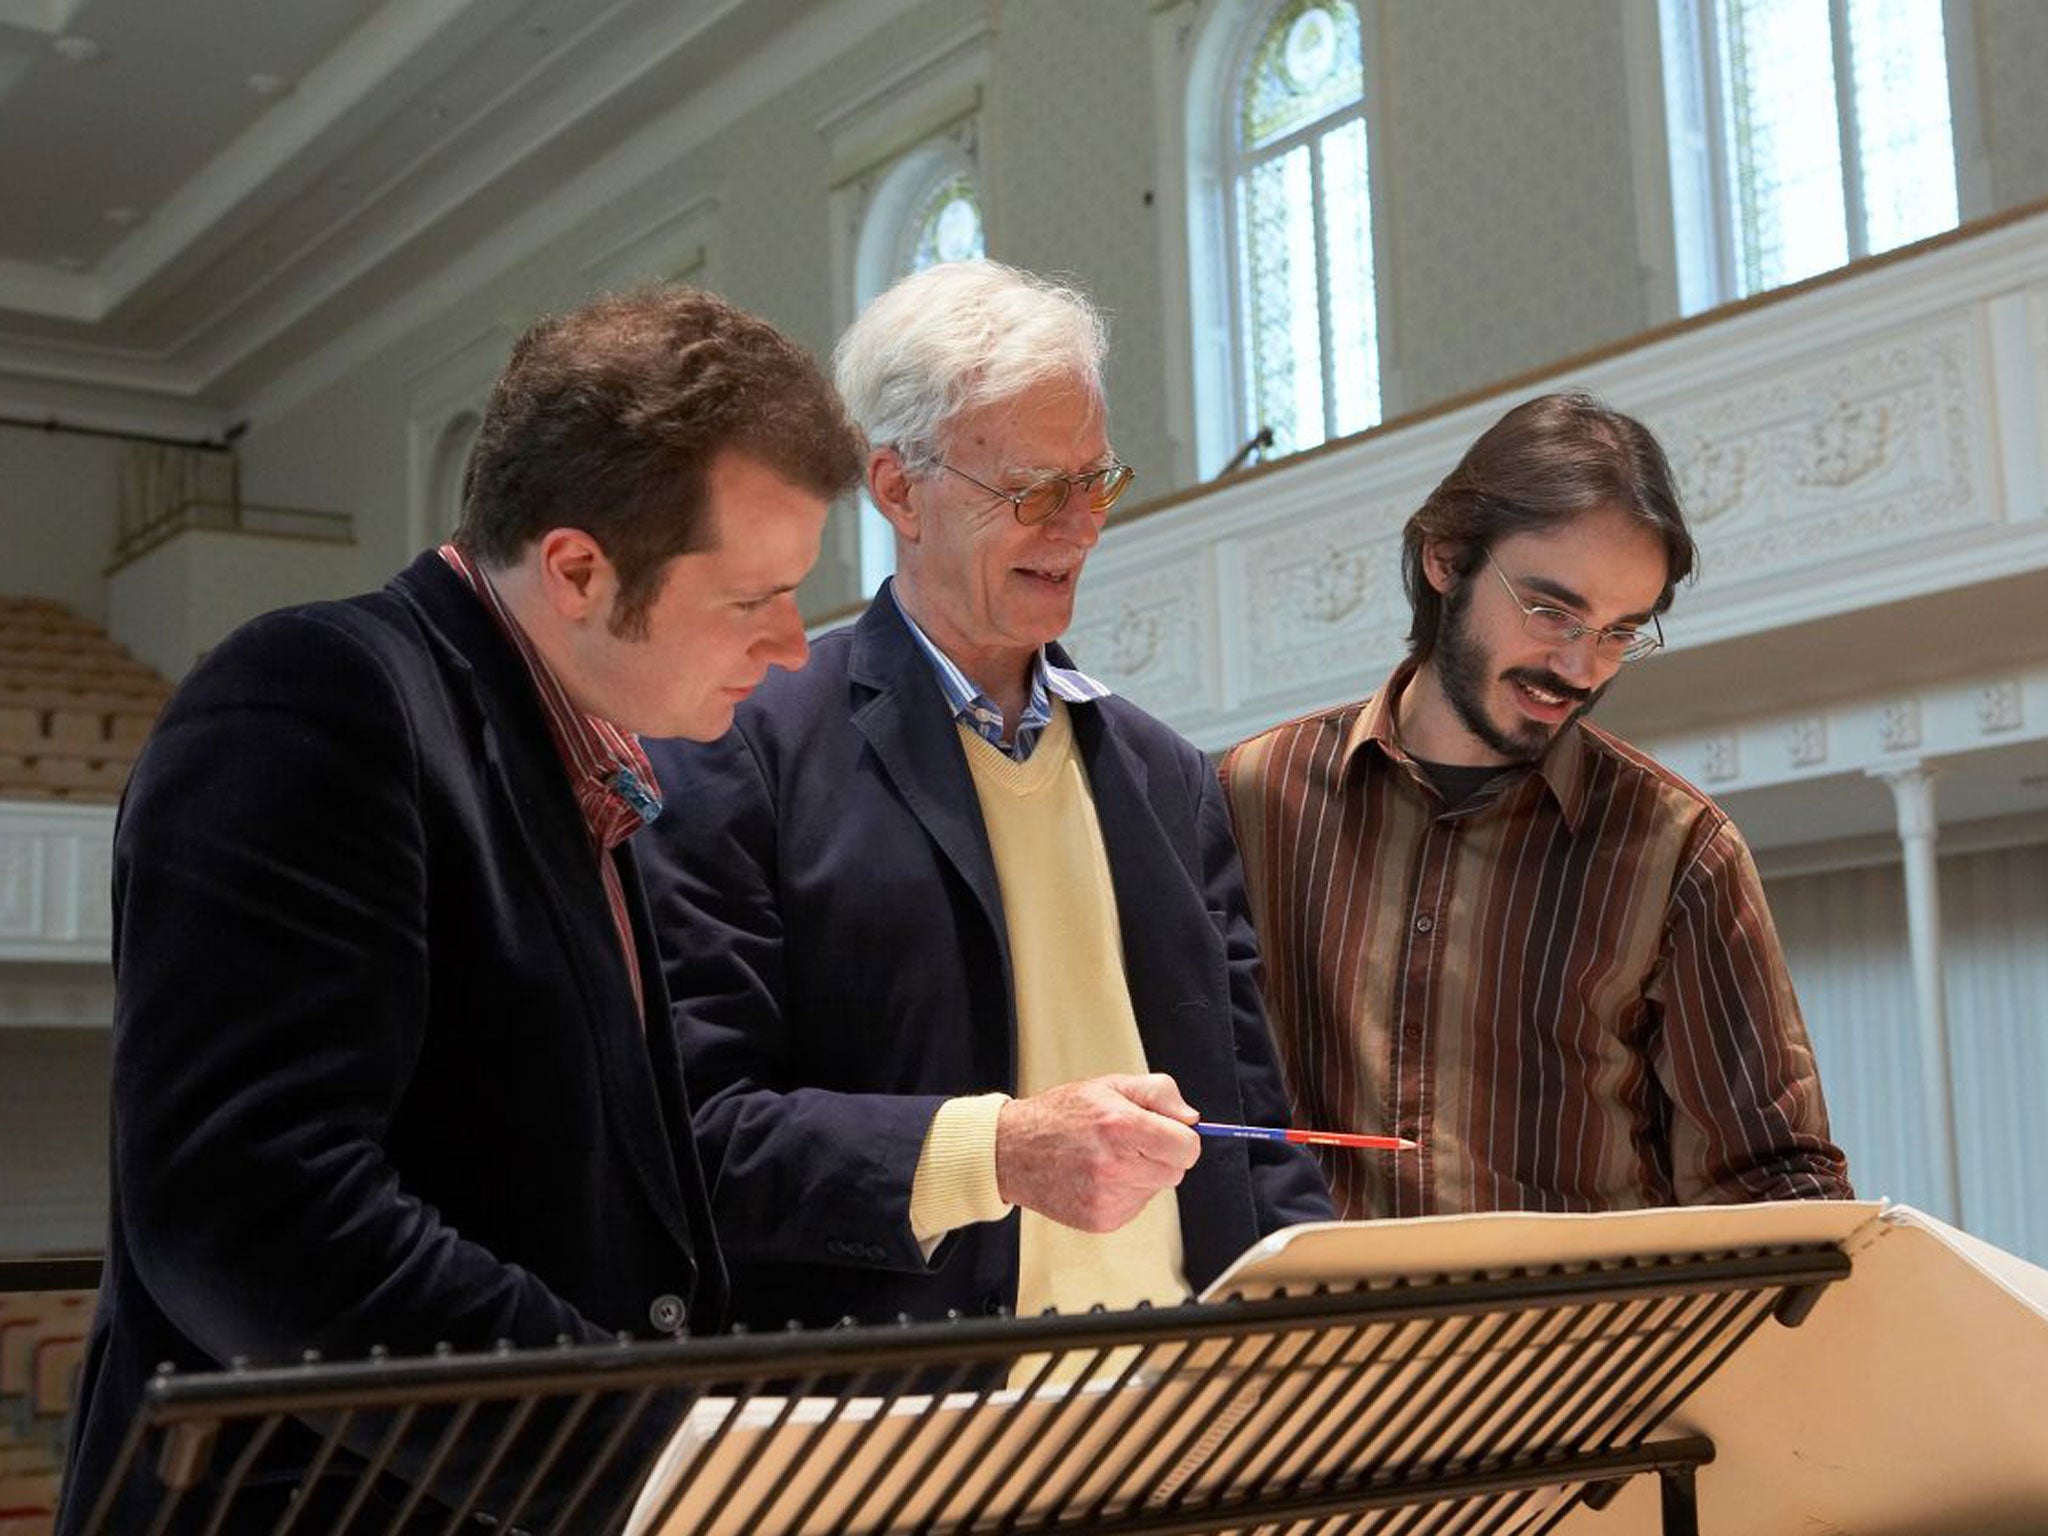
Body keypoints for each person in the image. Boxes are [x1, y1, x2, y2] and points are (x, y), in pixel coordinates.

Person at [57, 288, 864, 1532]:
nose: (794, 647)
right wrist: (657, 1459)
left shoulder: (579, 763)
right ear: (579, 569)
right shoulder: (308, 700)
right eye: (754, 598)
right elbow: (252, 1207)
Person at [637, 260, 1331, 1334]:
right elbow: (696, 1138)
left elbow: (1250, 1129)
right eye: (1031, 492)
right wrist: (994, 1154)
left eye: (1093, 481)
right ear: (899, 489)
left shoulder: (1165, 776)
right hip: (910, 1425)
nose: (1077, 527)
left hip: (1183, 1412)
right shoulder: (746, 750)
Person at [1220, 391, 1854, 1221]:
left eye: (1620, 632)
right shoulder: (1252, 794)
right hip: (1319, 1343)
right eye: (1552, 611)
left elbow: (1772, 1176)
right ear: (1446, 559)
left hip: (1586, 1349)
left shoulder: (1680, 849)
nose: (1581, 668)